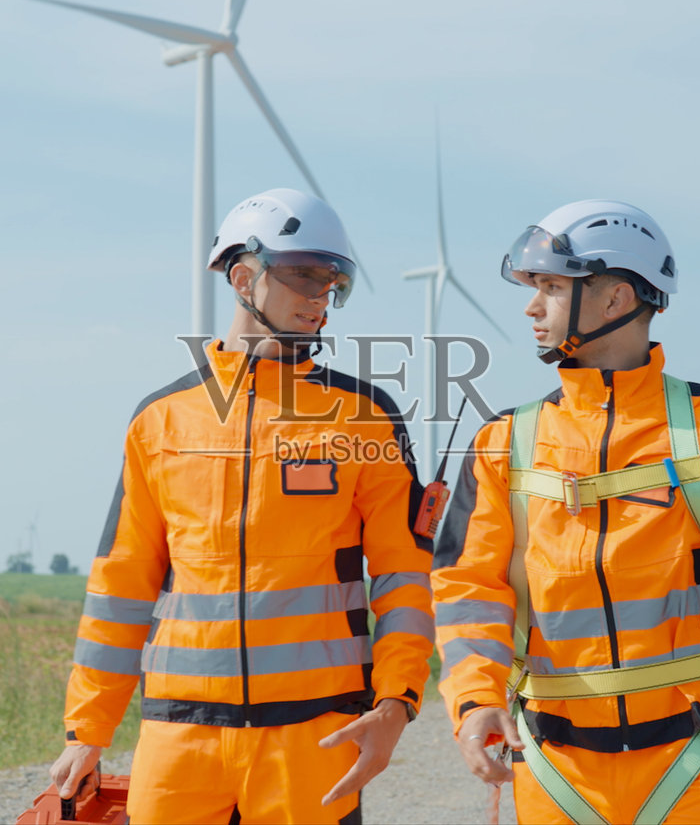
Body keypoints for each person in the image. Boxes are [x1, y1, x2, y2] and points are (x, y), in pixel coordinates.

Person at [432, 201, 700, 824]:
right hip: (553, 769)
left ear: (614, 300)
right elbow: (468, 591)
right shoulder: (502, 445)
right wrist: (475, 701)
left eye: (552, 287)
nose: (532, 307)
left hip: (698, 763)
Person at [48, 188, 435, 824]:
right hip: (179, 737)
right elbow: (123, 585)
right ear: (243, 276)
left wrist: (396, 703)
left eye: (333, 282)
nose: (321, 297)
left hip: (313, 737)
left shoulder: (366, 417)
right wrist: (86, 730)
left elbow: (403, 577)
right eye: (305, 275)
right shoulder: (160, 419)